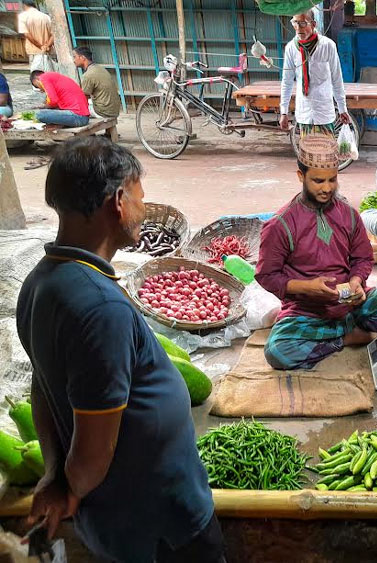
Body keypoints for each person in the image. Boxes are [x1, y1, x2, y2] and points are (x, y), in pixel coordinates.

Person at [15, 137, 224, 563]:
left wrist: (55, 474)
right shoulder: (99, 306)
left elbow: (43, 390)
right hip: (158, 526)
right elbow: (94, 450)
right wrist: (69, 488)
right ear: (117, 201)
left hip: (124, 522)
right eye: (140, 199)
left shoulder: (40, 283)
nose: (144, 211)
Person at [255, 135, 377, 370]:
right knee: (278, 352)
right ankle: (347, 338)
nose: (327, 188)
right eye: (318, 181)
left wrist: (356, 282)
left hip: (352, 302)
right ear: (301, 176)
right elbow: (266, 275)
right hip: (308, 310)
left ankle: (345, 326)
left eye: (332, 180)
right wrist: (307, 287)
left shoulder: (348, 214)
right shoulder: (280, 224)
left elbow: (363, 257)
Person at [279, 10, 351, 137]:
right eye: (295, 23)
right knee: (307, 153)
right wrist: (283, 112)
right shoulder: (291, 48)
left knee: (327, 152)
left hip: (324, 111)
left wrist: (342, 108)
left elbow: (336, 78)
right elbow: (287, 81)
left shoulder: (328, 46)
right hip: (304, 112)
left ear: (313, 24)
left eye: (303, 23)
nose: (298, 28)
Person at [72, 46, 121, 119]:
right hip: (114, 110)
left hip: (103, 112)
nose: (74, 60)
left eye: (74, 57)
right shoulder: (100, 68)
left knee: (74, 111)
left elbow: (83, 98)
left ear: (82, 58)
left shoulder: (88, 75)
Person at [18, 0, 55, 73]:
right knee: (49, 74)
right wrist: (47, 46)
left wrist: (40, 46)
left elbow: (27, 34)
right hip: (48, 51)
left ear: (24, 5)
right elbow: (54, 34)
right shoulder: (46, 17)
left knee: (36, 76)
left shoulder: (23, 16)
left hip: (34, 51)